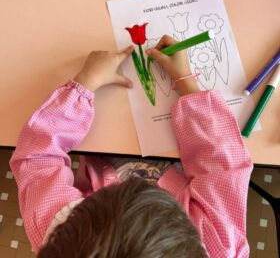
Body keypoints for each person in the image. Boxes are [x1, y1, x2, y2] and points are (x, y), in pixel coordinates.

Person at [10, 35, 253, 258]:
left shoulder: (62, 234)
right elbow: (222, 162)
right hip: (179, 163)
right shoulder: (221, 247)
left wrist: (84, 84)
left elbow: (37, 156)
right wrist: (186, 81)